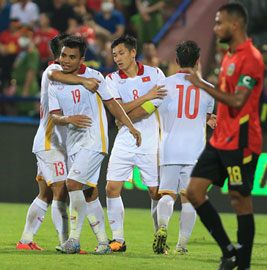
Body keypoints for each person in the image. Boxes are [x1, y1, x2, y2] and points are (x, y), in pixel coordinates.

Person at [184, 3, 264, 270]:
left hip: (241, 141)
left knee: (239, 200)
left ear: (235, 25)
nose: (215, 27)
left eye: (219, 23)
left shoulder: (250, 57)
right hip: (220, 139)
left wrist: (202, 84)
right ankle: (229, 252)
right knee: (194, 191)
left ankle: (244, 265)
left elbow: (239, 100)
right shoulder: (228, 55)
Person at [49, 36, 141, 254]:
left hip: (94, 140)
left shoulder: (95, 77)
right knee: (89, 192)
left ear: (82, 59)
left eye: (72, 57)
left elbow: (113, 105)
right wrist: (68, 120)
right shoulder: (55, 80)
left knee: (72, 184)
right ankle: (102, 242)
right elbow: (54, 116)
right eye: (63, 55)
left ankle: (73, 240)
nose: (66, 60)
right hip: (73, 143)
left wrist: (130, 126)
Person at [16, 33, 101, 251]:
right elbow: (64, 79)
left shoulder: (62, 73)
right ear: (59, 55)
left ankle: (26, 240)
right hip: (50, 141)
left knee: (45, 194)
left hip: (55, 142)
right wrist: (84, 79)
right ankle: (66, 242)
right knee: (61, 191)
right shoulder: (52, 73)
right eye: (65, 54)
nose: (68, 60)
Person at [148, 40, 215, 255]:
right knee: (190, 199)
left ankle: (163, 227)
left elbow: (151, 110)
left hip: (169, 148)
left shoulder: (163, 86)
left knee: (167, 194)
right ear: (197, 62)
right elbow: (204, 118)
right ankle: (181, 245)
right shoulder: (209, 89)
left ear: (176, 61)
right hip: (195, 151)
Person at [104, 35, 166, 252]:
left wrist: (124, 115)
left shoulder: (155, 73)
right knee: (112, 188)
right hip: (124, 141)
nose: (117, 58)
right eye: (114, 55)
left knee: (155, 192)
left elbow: (154, 105)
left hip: (150, 141)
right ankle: (118, 240)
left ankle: (160, 237)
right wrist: (145, 97)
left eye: (121, 53)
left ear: (132, 52)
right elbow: (116, 110)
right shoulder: (112, 79)